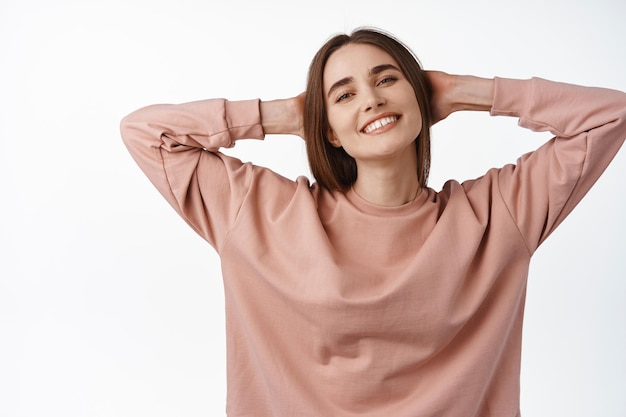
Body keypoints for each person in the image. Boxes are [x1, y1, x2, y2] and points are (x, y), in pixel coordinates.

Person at [120, 28, 626, 417]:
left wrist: (472, 91)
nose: (371, 99)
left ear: (421, 98)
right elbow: (145, 133)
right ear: (329, 131)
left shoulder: (499, 213)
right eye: (343, 95)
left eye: (387, 79)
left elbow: (610, 115)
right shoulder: (259, 212)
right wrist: (283, 115)